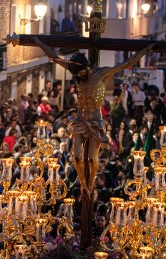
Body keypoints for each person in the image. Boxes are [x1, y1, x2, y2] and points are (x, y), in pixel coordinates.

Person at [33, 36, 154, 198]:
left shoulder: (102, 73)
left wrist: (146, 49)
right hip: (80, 120)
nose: (79, 76)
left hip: (96, 122)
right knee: (75, 156)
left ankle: (90, 186)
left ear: (86, 67)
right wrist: (37, 42)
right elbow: (54, 57)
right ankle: (83, 185)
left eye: (81, 73)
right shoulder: (75, 70)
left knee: (90, 159)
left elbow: (125, 64)